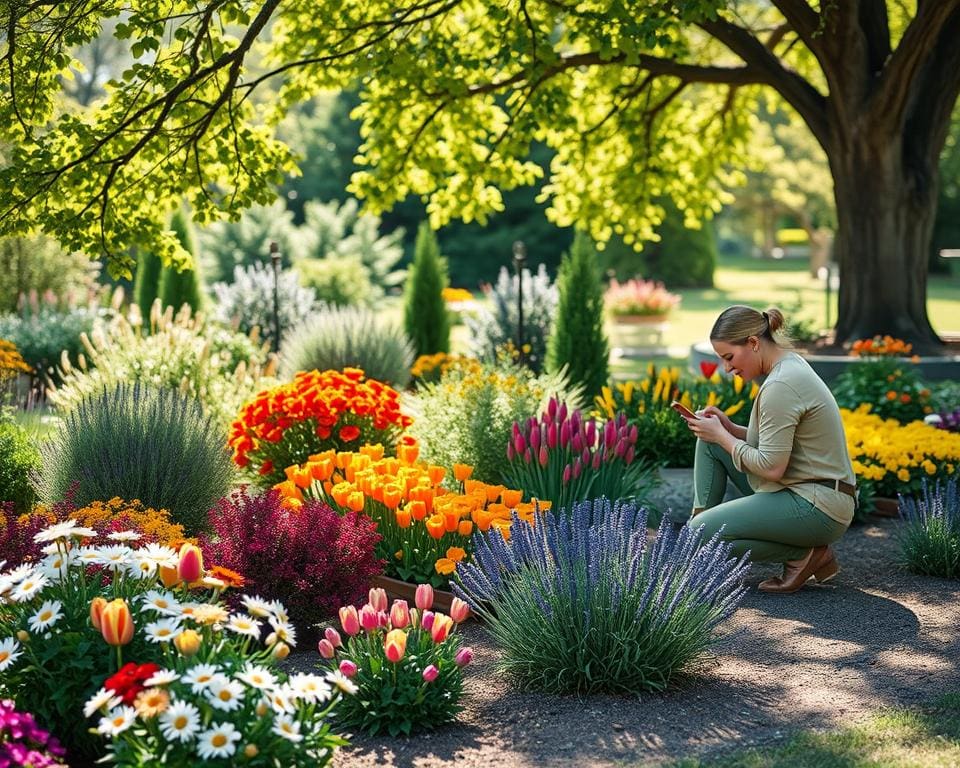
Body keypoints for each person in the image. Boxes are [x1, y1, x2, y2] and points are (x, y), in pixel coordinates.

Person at [683, 305, 856, 594]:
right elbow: (776, 445)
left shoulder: (782, 385)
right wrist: (727, 429)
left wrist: (724, 437)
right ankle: (701, 538)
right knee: (710, 442)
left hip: (818, 506)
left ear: (752, 342)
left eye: (729, 357)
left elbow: (772, 467)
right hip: (805, 489)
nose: (727, 368)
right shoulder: (789, 366)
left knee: (698, 533)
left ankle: (802, 556)